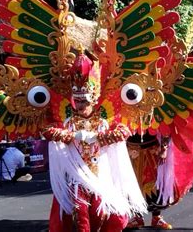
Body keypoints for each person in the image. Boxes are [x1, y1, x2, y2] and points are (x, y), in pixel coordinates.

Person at [42, 52, 146, 231]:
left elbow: (124, 131)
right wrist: (73, 136)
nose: (79, 106)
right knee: (80, 216)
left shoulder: (104, 120)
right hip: (76, 178)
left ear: (94, 99)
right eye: (77, 101)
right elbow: (48, 131)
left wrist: (99, 137)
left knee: (102, 215)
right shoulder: (69, 121)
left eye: (84, 101)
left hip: (101, 177)